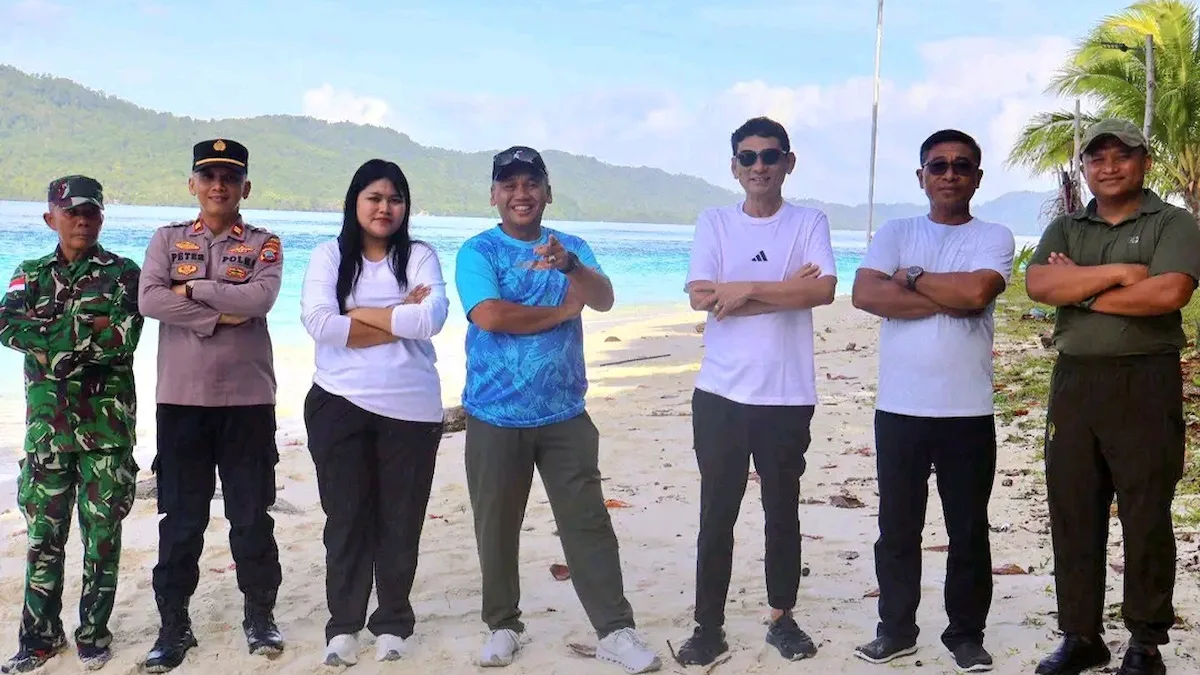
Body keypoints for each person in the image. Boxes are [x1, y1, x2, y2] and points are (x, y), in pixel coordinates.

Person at [453, 146, 661, 673]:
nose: (520, 194)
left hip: (565, 414)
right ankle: (503, 624)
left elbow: (604, 298)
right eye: (509, 185)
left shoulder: (573, 248)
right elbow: (490, 315)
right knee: (496, 526)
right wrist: (562, 312)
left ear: (547, 192)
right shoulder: (478, 251)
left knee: (588, 523)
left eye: (531, 184)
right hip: (495, 415)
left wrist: (569, 267)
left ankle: (615, 630)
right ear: (494, 195)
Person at [1024, 119, 1200, 675]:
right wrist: (1123, 274)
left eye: (1121, 155)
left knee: (1146, 514)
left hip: (1145, 380)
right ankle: (1081, 636)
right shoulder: (1066, 227)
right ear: (1084, 168)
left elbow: (1168, 292)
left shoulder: (1172, 222)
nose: (1108, 166)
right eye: (1096, 158)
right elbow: (1040, 285)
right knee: (1073, 510)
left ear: (1144, 161)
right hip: (1075, 383)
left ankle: (1145, 642)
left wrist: (1080, 289)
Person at [850, 129, 1015, 673]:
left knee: (967, 530)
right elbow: (865, 294)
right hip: (899, 408)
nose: (949, 174)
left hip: (967, 411)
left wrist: (912, 279)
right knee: (898, 529)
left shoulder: (994, 235)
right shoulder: (896, 230)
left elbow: (977, 294)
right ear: (921, 176)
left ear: (977, 178)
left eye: (961, 165)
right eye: (938, 165)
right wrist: (950, 296)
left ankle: (965, 635)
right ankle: (896, 631)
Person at [673, 117, 836, 666]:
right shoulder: (715, 222)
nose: (759, 166)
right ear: (734, 167)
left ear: (789, 162)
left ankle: (781, 618)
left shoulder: (809, 221)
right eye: (748, 157)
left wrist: (742, 289)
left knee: (781, 511)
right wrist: (786, 290)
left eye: (769, 156)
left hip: (786, 395)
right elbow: (702, 297)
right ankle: (708, 627)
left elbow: (823, 291)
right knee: (716, 513)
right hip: (720, 394)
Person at [136, 139, 285, 672]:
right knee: (181, 520)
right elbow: (149, 299)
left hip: (248, 401)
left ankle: (260, 616)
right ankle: (173, 625)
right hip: (181, 402)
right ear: (193, 184)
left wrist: (192, 290)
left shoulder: (265, 243)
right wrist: (218, 313)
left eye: (230, 177)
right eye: (209, 176)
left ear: (246, 187)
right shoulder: (165, 238)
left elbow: (260, 300)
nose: (218, 185)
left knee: (251, 517)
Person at [299, 159, 449, 667]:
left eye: (395, 199)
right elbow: (320, 324)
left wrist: (358, 314)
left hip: (411, 408)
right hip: (338, 401)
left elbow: (430, 320)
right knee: (346, 519)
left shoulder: (420, 256)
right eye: (375, 198)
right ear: (355, 202)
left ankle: (392, 623)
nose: (385, 208)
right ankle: (344, 626)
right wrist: (396, 314)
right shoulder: (328, 256)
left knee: (400, 521)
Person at [0, 176, 143, 674]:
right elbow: (6, 326)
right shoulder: (29, 273)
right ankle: (39, 640)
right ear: (50, 219)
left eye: (91, 212)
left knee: (102, 540)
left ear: (101, 217)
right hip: (47, 432)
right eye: (71, 212)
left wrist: (47, 338)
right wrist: (87, 328)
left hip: (107, 432)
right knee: (43, 540)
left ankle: (93, 634)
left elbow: (123, 339)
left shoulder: (124, 273)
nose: (82, 220)